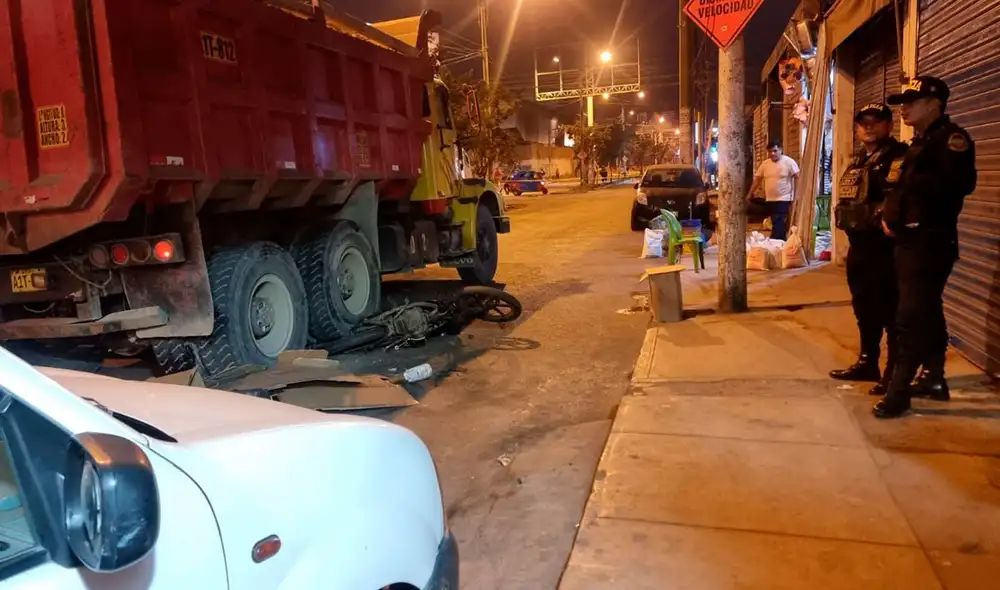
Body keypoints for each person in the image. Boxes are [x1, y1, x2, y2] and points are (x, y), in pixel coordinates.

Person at [874, 75, 978, 419]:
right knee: (928, 311)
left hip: (929, 242)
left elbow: (958, 185)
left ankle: (899, 391)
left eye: (911, 101)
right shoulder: (919, 142)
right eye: (902, 102)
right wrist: (892, 215)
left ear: (934, 103)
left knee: (909, 318)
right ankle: (934, 378)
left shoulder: (951, 140)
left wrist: (910, 208)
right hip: (909, 241)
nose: (904, 108)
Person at [829, 103, 909, 396]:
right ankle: (868, 362)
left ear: (889, 125)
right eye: (863, 123)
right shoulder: (860, 160)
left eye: (876, 121)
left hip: (884, 248)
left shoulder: (896, 157)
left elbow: (897, 198)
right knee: (864, 307)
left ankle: (894, 371)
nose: (869, 127)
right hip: (860, 245)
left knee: (889, 309)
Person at [747, 140, 800, 241]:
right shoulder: (765, 164)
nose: (772, 153)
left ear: (781, 150)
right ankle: (781, 242)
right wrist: (750, 193)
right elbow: (757, 180)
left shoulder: (789, 162)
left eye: (775, 151)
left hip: (784, 198)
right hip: (770, 199)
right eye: (770, 151)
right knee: (776, 221)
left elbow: (798, 177)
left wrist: (797, 195)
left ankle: (774, 241)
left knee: (778, 220)